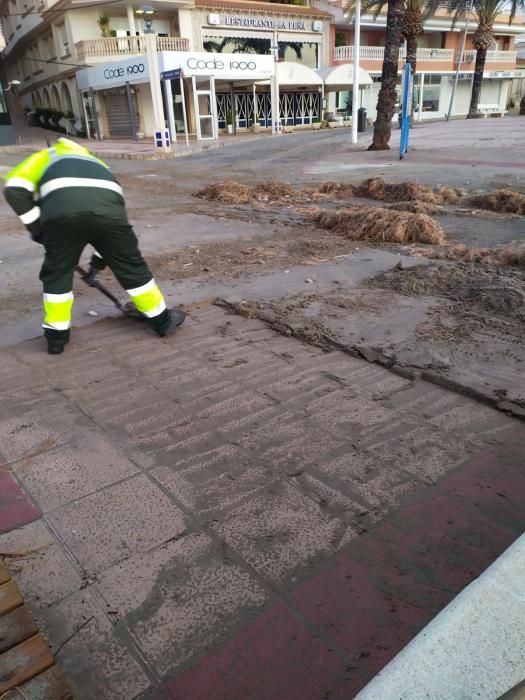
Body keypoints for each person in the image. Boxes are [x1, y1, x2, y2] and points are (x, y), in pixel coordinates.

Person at [3, 137, 185, 355]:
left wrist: (38, 228)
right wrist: (97, 265)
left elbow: (14, 188)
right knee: (132, 268)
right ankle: (162, 322)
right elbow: (109, 219)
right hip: (112, 217)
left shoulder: (48, 155)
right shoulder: (97, 163)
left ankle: (56, 338)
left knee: (57, 275)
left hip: (62, 219)